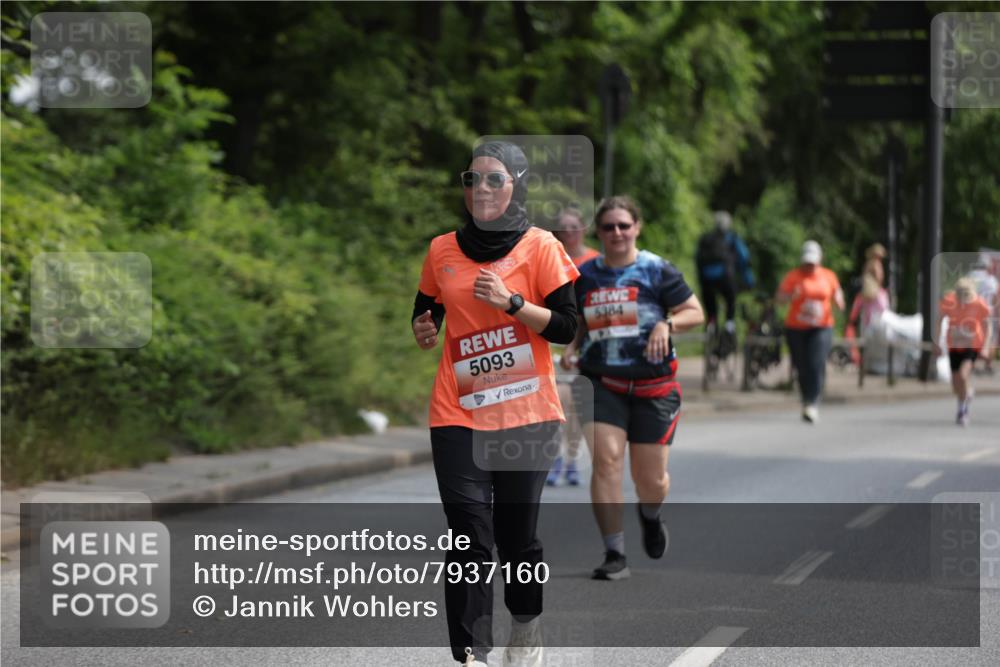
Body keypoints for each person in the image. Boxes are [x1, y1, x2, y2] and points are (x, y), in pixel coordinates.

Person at [411, 141, 580, 667]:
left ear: (517, 185)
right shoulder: (442, 249)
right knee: (468, 535)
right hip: (457, 412)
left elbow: (569, 328)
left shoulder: (541, 247)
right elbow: (427, 305)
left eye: (493, 179)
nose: (480, 189)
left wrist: (512, 303)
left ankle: (525, 626)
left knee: (516, 538)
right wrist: (425, 325)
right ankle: (471, 655)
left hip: (526, 417)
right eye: (471, 179)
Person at [561, 196, 704, 580]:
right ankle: (614, 553)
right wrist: (572, 348)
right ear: (599, 232)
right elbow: (577, 322)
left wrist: (666, 325)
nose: (617, 233)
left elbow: (695, 311)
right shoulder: (585, 275)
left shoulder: (657, 270)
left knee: (651, 480)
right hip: (601, 382)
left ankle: (651, 514)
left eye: (624, 225)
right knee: (606, 461)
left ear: (637, 227)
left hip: (654, 387)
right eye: (609, 227)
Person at [547, 207, 600, 486]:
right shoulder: (549, 256)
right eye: (563, 227)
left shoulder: (595, 261)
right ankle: (556, 459)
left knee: (573, 406)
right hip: (552, 337)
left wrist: (575, 347)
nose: (569, 232)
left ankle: (570, 460)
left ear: (584, 229)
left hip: (583, 342)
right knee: (557, 403)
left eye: (573, 227)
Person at [776, 240, 845, 423]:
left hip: (821, 327)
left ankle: (812, 402)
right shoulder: (793, 276)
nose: (809, 266)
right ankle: (806, 397)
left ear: (819, 260)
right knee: (801, 365)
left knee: (816, 361)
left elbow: (838, 296)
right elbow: (780, 298)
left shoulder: (828, 276)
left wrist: (839, 301)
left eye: (812, 263)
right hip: (796, 328)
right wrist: (791, 296)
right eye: (806, 263)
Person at [934, 278, 993, 426]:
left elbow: (988, 326)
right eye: (961, 297)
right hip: (954, 345)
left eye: (967, 297)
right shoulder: (949, 301)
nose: (964, 301)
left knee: (963, 374)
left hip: (972, 345)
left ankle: (962, 411)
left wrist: (985, 347)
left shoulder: (979, 304)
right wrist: (937, 343)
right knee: (955, 384)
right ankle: (967, 393)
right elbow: (939, 320)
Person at [695, 210, 754, 335]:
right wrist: (749, 280)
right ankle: (729, 323)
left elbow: (697, 258)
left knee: (711, 307)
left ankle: (711, 323)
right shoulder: (732, 238)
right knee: (731, 299)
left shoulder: (705, 238)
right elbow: (744, 258)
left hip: (706, 280)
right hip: (725, 278)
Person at [967, 254, 999, 373]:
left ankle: (973, 363)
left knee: (974, 338)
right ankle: (988, 364)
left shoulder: (971, 276)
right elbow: (996, 299)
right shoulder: (992, 280)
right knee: (991, 338)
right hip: (988, 313)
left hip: (973, 313)